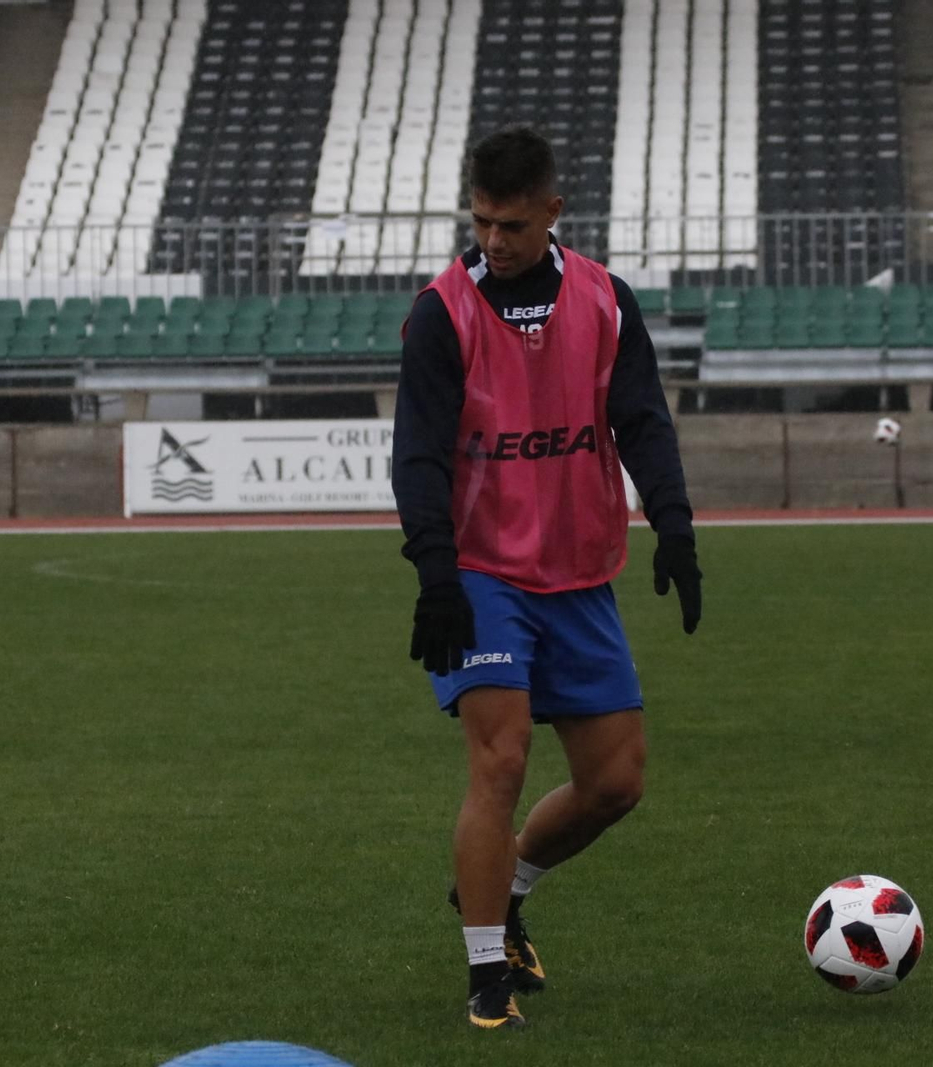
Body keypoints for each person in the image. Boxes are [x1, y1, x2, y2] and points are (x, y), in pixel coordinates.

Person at [391, 125, 703, 1030]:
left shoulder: (605, 299)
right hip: (483, 573)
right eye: (482, 222)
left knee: (616, 782)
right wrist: (436, 574)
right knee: (502, 758)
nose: (495, 240)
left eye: (514, 225)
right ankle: (486, 975)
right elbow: (419, 455)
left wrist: (675, 527)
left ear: (554, 211)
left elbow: (642, 421)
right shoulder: (442, 312)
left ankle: (504, 887)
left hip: (578, 574)